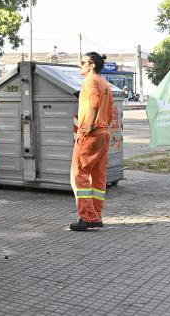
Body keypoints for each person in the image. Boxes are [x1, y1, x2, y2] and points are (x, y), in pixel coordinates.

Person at [69, 51, 115, 231]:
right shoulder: (105, 84)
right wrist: (102, 127)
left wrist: (88, 126)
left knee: (79, 175)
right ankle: (96, 216)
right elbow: (110, 111)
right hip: (103, 135)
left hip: (90, 134)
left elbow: (94, 102)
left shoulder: (89, 81)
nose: (80, 66)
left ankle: (86, 217)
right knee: (98, 176)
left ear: (92, 65)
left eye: (82, 63)